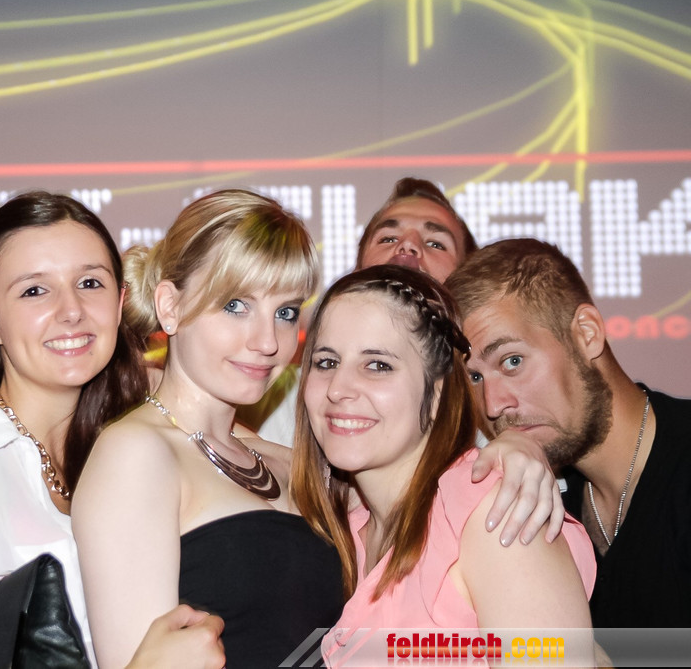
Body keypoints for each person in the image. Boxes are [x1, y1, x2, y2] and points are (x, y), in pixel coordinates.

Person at [71, 190, 559, 668]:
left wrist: (517, 446)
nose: (267, 341)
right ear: (170, 306)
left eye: (285, 312)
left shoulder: (293, 462)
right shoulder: (135, 454)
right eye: (236, 305)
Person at [0, 192, 225, 669]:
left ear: (120, 303)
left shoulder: (126, 451)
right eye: (35, 291)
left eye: (90, 283)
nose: (72, 310)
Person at [289, 265, 595, 666]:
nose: (338, 389)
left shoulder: (493, 512)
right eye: (326, 362)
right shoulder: (346, 526)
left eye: (377, 365)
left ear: (436, 394)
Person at [446, 238, 691, 627]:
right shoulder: (547, 502)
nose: (492, 405)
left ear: (587, 334)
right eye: (474, 377)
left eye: (512, 361)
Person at [256, 176, 476, 444]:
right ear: (357, 271)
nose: (407, 245)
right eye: (388, 238)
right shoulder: (292, 397)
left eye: (435, 243)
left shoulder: (487, 404)